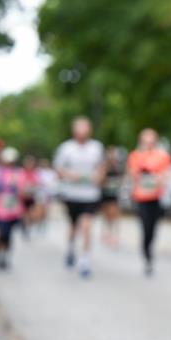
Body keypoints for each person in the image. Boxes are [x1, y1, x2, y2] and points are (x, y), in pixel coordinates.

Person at [53, 117, 104, 278]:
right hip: (71, 194)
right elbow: (59, 169)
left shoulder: (96, 147)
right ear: (74, 130)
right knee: (74, 227)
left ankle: (85, 261)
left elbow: (101, 168)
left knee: (87, 226)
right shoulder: (66, 148)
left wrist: (98, 177)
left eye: (85, 127)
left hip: (90, 195)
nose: (82, 131)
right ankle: (71, 248)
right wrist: (71, 175)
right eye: (79, 128)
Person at [127, 128, 171, 276]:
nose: (149, 144)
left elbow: (167, 174)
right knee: (145, 227)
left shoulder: (163, 156)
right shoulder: (135, 156)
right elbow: (133, 174)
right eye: (146, 141)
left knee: (153, 228)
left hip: (156, 197)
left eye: (151, 141)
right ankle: (146, 255)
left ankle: (149, 250)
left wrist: (159, 179)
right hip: (141, 198)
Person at [0, 147, 28, 270]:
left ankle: (6, 255)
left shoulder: (19, 172)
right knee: (2, 232)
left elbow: (22, 190)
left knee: (9, 234)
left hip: (14, 208)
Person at [99, 146, 126, 248]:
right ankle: (106, 233)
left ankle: (114, 235)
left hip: (115, 194)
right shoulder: (104, 167)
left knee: (115, 214)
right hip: (105, 194)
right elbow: (100, 180)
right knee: (106, 215)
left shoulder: (119, 167)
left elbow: (122, 178)